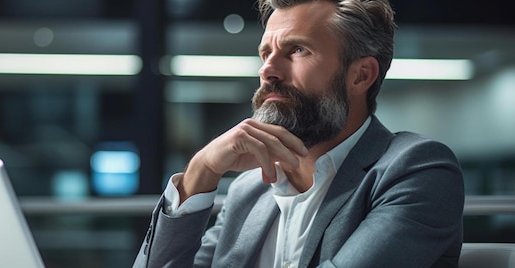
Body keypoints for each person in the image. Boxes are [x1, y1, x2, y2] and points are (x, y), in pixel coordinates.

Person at [134, 0, 465, 267]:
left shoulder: (418, 170)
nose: (268, 69)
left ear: (361, 75)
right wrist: (201, 171)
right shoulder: (249, 190)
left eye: (297, 50)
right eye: (266, 53)